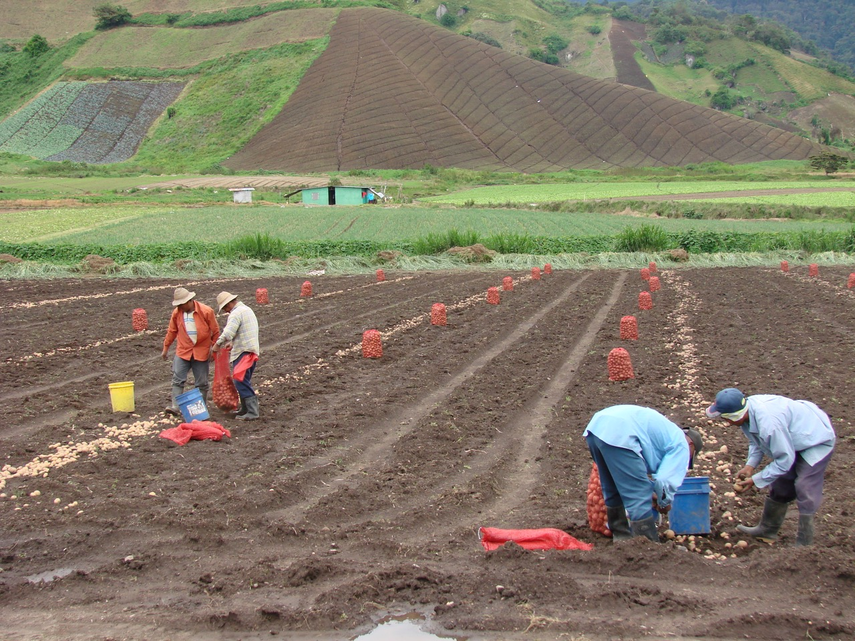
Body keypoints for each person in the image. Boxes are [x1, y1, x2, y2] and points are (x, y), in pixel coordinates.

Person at [706, 388, 835, 546]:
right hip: (793, 435)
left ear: (735, 416)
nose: (726, 422)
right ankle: (767, 530)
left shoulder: (769, 424)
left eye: (725, 418)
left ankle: (805, 545)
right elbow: (756, 441)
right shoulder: (746, 412)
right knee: (781, 483)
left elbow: (784, 460)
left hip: (815, 437)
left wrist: (755, 480)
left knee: (804, 486)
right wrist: (750, 466)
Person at [584, 405, 703, 542]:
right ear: (692, 446)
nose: (686, 460)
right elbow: (665, 480)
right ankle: (648, 547)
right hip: (620, 434)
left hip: (596, 428)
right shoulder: (682, 444)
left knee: (612, 488)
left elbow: (632, 473)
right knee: (639, 498)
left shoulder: (668, 433)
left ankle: (621, 538)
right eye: (690, 457)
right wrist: (664, 502)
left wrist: (652, 491)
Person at [162, 287, 220, 416]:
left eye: (182, 304)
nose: (181, 307)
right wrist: (165, 348)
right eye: (179, 305)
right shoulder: (177, 313)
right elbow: (172, 331)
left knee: (202, 382)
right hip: (183, 350)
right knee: (177, 378)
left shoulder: (206, 311)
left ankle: (200, 408)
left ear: (190, 300)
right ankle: (175, 407)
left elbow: (215, 331)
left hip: (201, 351)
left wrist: (214, 348)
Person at [213, 291, 260, 420]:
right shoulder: (246, 310)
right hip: (251, 349)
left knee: (240, 380)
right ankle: (245, 408)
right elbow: (242, 330)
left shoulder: (236, 313)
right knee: (243, 379)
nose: (226, 311)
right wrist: (232, 343)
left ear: (229, 304)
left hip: (243, 351)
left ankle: (252, 411)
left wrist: (217, 344)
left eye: (225, 308)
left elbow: (228, 332)